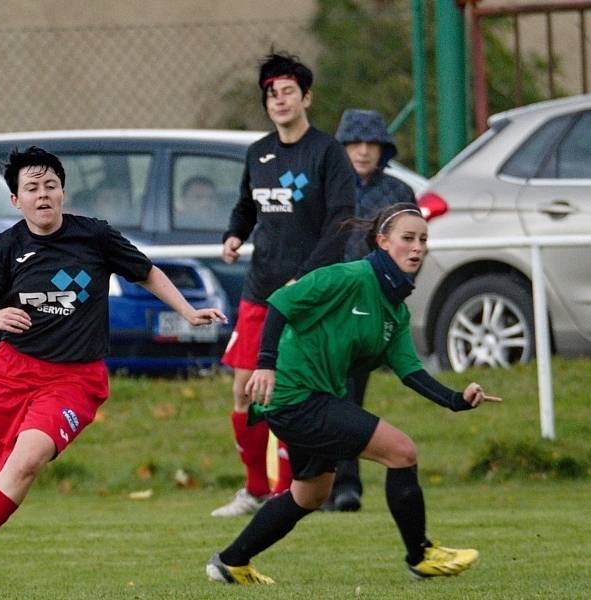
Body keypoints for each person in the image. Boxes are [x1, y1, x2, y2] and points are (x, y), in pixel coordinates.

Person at [0, 146, 227, 593]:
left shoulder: (95, 237)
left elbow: (146, 272)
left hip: (73, 380)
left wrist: (188, 311)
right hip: (11, 373)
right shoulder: (3, 249)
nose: (42, 195)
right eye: (32, 188)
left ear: (63, 192)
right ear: (15, 200)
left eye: (50, 186)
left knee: (25, 462)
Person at [205, 203, 501, 585]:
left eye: (423, 240)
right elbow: (281, 303)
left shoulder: (395, 310)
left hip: (317, 398)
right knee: (402, 451)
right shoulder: (349, 276)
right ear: (382, 241)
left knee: (311, 494)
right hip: (296, 397)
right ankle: (421, 554)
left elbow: (409, 370)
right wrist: (265, 363)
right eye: (407, 239)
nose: (417, 248)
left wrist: (456, 399)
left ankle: (230, 562)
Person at [213, 51, 356, 518]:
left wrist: (307, 277)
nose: (279, 99)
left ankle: (294, 490)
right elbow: (247, 207)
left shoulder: (327, 153)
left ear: (306, 96)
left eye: (288, 91)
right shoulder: (258, 153)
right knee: (244, 389)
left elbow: (341, 223)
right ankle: (254, 489)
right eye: (271, 93)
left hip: (310, 295)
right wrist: (235, 234)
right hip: (261, 290)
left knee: (293, 393)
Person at [325, 108, 418, 512]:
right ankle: (321, 484)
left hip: (369, 310)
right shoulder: (325, 187)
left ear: (383, 148)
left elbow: (412, 250)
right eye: (354, 143)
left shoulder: (398, 193)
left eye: (371, 143)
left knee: (347, 397)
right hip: (325, 306)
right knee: (320, 397)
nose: (363, 152)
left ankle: (345, 486)